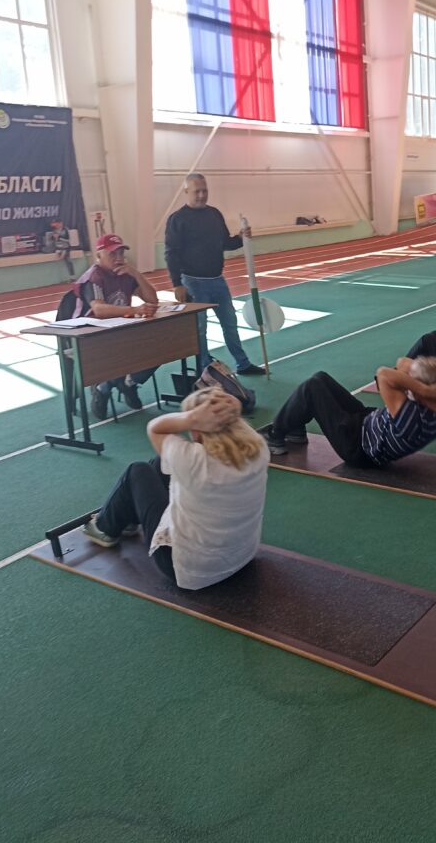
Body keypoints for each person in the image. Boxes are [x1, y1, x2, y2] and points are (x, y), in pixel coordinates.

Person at [82, 388, 269, 590]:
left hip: (187, 568)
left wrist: (190, 418)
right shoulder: (259, 448)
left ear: (196, 429)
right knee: (158, 463)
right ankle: (126, 517)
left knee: (138, 471)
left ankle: (104, 527)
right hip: (241, 556)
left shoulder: (192, 458)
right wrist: (230, 408)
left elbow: (154, 427)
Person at [261, 357, 436, 467]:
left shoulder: (412, 419)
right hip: (367, 421)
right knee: (321, 378)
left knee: (312, 387)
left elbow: (383, 374)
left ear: (422, 390)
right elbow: (403, 362)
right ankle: (295, 430)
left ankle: (275, 436)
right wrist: (424, 386)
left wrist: (423, 389)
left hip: (357, 445)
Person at [164, 173, 265, 377]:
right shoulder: (177, 219)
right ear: (186, 192)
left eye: (205, 191)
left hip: (217, 280)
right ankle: (205, 369)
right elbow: (171, 253)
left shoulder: (214, 214)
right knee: (200, 329)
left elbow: (225, 243)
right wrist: (177, 284)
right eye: (197, 191)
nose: (202, 195)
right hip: (192, 282)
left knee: (230, 323)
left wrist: (240, 238)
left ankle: (242, 363)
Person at [73, 233, 160, 417]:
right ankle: (103, 388)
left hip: (122, 330)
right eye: (112, 254)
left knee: (161, 345)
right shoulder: (94, 277)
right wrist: (135, 309)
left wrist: (136, 274)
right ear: (99, 255)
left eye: (121, 253)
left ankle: (129, 382)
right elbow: (99, 309)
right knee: (118, 351)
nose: (118, 258)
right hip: (93, 335)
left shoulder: (126, 274)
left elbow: (152, 299)